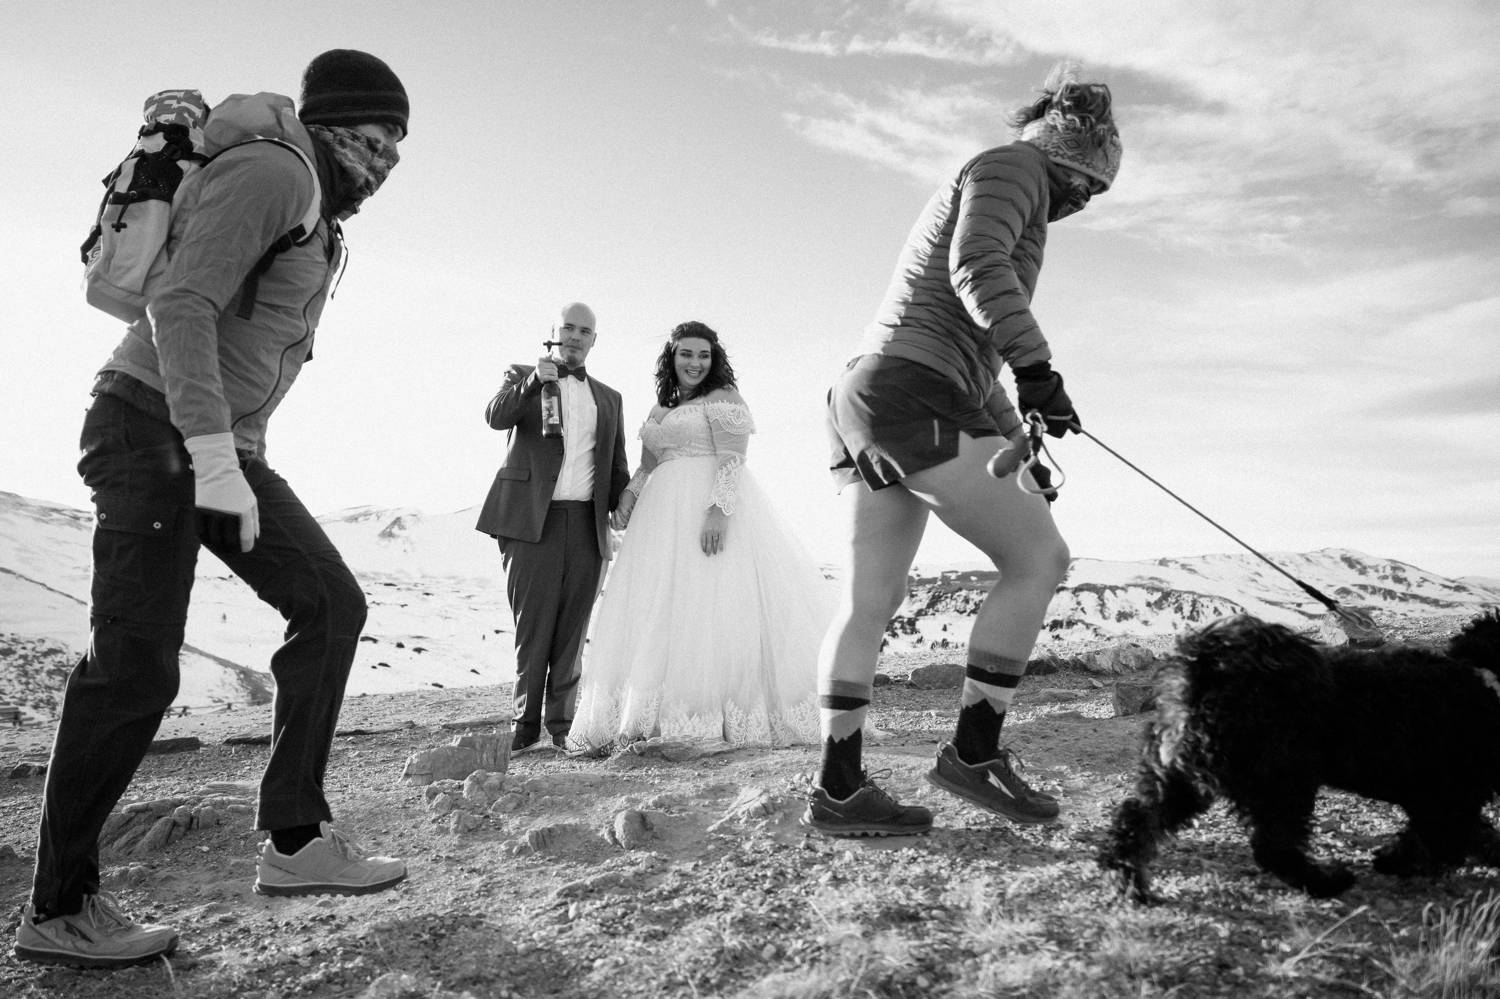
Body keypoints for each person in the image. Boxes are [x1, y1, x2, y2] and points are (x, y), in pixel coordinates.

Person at [18, 50, 412, 969]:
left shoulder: (314, 196)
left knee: (328, 603)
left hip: (215, 446)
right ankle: (58, 904)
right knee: (136, 666)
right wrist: (210, 453)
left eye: (400, 145)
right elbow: (182, 302)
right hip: (151, 428)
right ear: (330, 121)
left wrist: (238, 454)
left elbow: (249, 344)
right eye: (376, 134)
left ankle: (295, 838)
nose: (388, 159)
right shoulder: (277, 172)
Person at [804, 63, 1122, 837]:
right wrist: (1039, 368)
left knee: (868, 601)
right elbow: (976, 267)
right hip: (916, 389)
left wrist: (1022, 434)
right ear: (1067, 156)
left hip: (870, 393)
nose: (1084, 202)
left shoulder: (1004, 174)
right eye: (1087, 184)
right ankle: (974, 754)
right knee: (1039, 560)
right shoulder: (1014, 166)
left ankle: (839, 789)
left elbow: (968, 349)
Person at [570, 321, 831, 751]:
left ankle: (707, 715)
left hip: (703, 509)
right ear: (671, 358)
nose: (695, 363)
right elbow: (648, 465)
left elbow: (733, 460)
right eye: (687, 354)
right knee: (658, 606)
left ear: (714, 360)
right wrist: (629, 498)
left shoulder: (723, 399)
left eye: (704, 355)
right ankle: (643, 717)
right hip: (659, 519)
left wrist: (719, 511)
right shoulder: (660, 409)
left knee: (705, 605)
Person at [475, 302, 631, 754]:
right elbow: (495, 417)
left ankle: (563, 727)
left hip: (587, 524)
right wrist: (531, 382)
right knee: (533, 627)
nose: (576, 336)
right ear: (554, 331)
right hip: (530, 522)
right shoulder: (521, 375)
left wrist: (629, 504)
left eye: (586, 330)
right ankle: (524, 727)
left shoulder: (610, 398)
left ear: (594, 340)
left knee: (572, 630)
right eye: (569, 327)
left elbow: (615, 464)